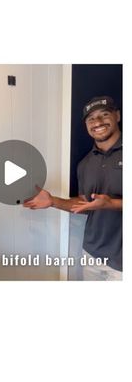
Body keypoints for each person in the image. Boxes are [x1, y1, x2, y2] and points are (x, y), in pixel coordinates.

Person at [23, 96, 122, 281]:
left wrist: (112, 203)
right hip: (92, 253)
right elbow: (85, 203)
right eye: (91, 118)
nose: (98, 122)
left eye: (104, 114)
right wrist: (53, 201)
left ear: (117, 116)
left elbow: (106, 203)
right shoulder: (85, 164)